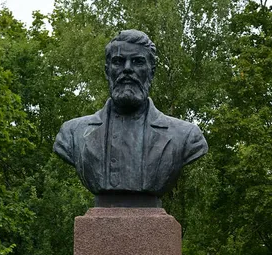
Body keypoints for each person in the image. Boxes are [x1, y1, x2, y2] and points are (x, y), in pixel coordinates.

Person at [53, 30, 208, 202]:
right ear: (107, 71)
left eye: (137, 62)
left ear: (152, 71)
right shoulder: (72, 133)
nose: (127, 69)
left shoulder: (186, 136)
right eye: (118, 62)